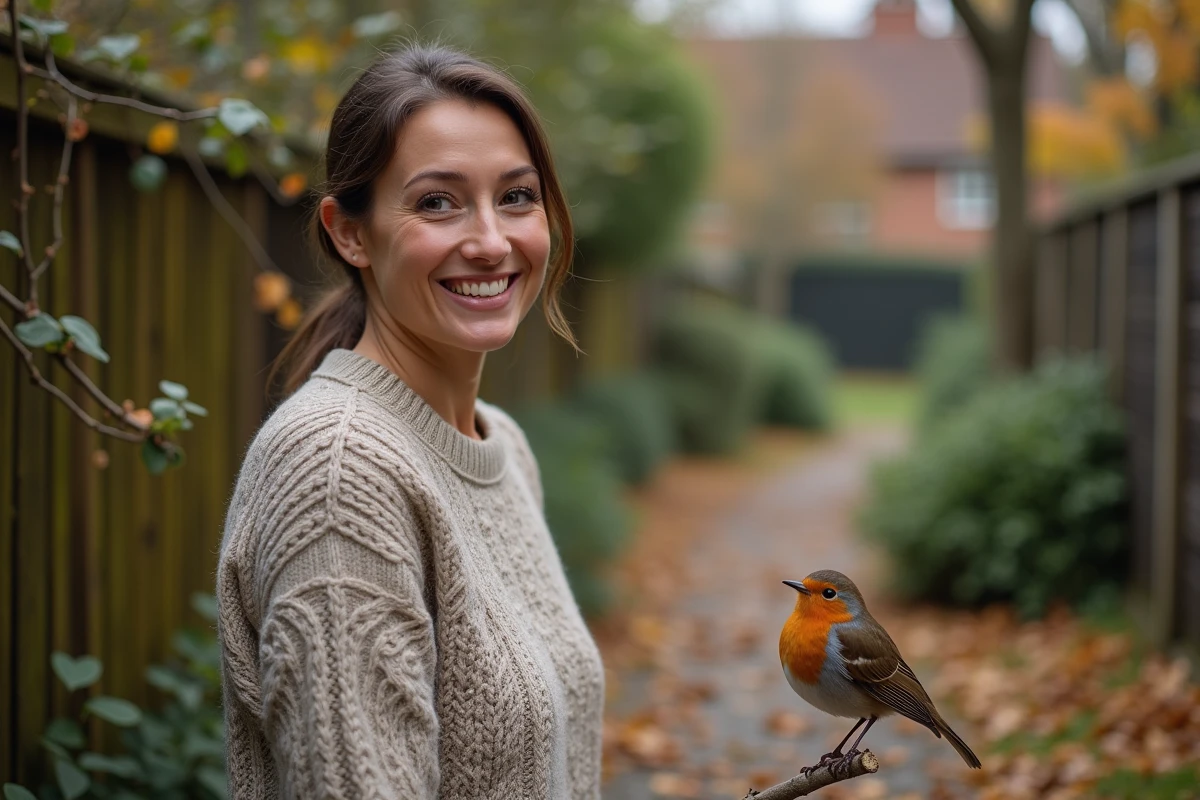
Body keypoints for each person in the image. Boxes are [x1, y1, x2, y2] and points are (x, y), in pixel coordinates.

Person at [215, 44, 604, 799]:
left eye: (517, 196)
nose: (492, 241)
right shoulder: (337, 470)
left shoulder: (502, 446)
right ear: (349, 232)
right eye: (437, 202)